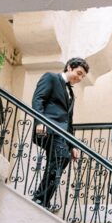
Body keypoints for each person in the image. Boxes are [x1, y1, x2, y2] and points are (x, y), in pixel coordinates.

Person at [32, 57, 89, 209]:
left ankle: (42, 199)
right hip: (49, 128)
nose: (80, 78)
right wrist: (40, 122)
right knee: (60, 158)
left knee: (59, 161)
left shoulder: (70, 92)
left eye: (82, 76)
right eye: (79, 73)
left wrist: (73, 145)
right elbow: (38, 99)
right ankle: (40, 198)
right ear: (69, 67)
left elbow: (69, 122)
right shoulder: (51, 77)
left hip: (62, 134)